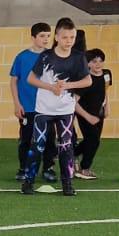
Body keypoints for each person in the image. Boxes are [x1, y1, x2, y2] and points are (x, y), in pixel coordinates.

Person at [21, 17, 90, 197]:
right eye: (65, 37)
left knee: (66, 146)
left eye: (72, 37)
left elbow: (87, 81)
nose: (69, 41)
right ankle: (28, 181)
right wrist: (51, 87)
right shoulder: (46, 57)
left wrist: (68, 85)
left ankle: (67, 183)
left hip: (65, 110)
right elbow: (31, 79)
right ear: (57, 37)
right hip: (44, 110)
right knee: (38, 145)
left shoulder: (78, 57)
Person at [9, 22, 57, 183]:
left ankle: (48, 168)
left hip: (47, 107)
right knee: (26, 139)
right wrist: (17, 104)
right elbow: (14, 81)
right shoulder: (22, 57)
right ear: (33, 37)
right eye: (42, 36)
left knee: (49, 138)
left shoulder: (52, 56)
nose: (46, 39)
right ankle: (24, 168)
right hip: (28, 107)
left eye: (48, 36)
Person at [74, 49, 111, 179]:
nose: (98, 64)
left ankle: (71, 153)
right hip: (85, 114)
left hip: (98, 113)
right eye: (94, 61)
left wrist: (107, 106)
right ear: (88, 63)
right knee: (93, 141)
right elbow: (74, 102)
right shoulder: (85, 80)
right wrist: (87, 116)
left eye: (101, 61)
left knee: (92, 140)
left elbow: (105, 90)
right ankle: (84, 169)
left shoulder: (107, 74)